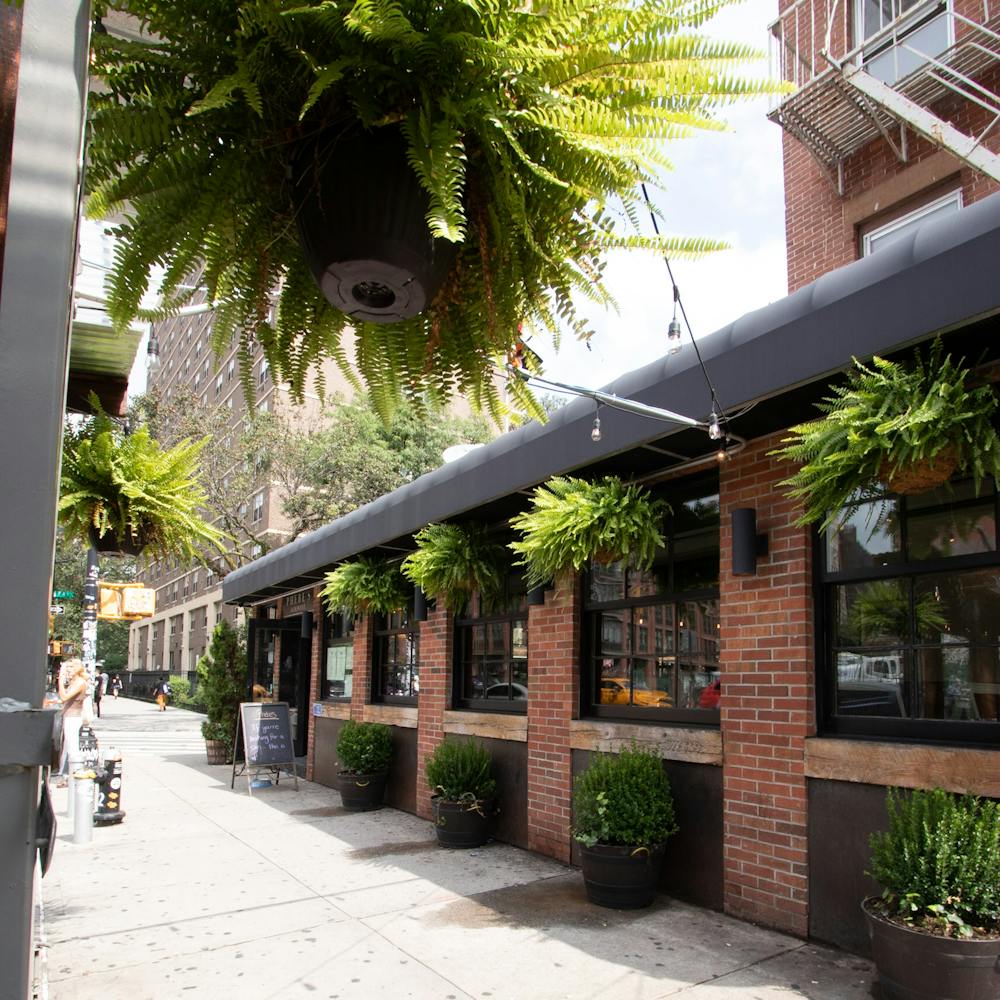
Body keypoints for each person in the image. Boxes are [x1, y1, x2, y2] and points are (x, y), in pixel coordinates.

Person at [57, 658, 88, 785]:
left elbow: (64, 697)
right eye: (67, 667)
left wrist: (60, 679)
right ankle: (65, 775)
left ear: (77, 669)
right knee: (66, 747)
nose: (68, 670)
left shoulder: (80, 682)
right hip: (69, 716)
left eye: (70, 667)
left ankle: (74, 774)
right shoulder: (75, 682)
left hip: (73, 718)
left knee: (72, 747)